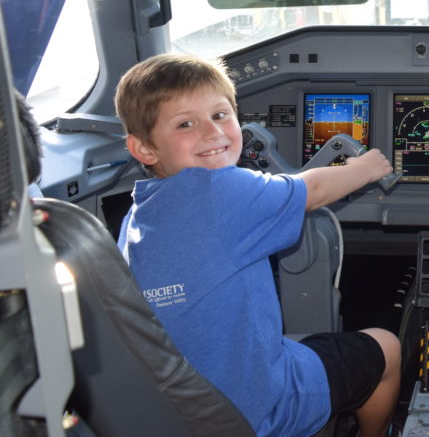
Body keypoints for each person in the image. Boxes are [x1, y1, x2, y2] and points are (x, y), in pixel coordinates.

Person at [114, 53, 400, 437]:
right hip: (258, 409)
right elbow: (312, 190)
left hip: (179, 409)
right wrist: (364, 169)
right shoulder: (219, 189)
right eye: (186, 124)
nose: (212, 132)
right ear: (144, 148)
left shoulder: (138, 215)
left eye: (219, 115)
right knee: (387, 348)